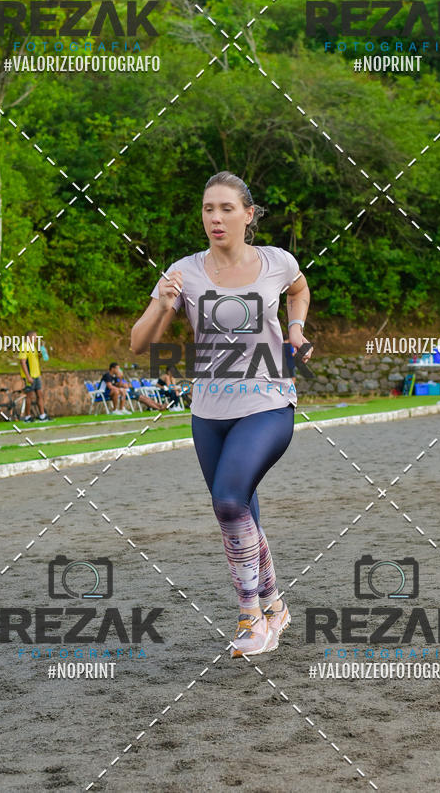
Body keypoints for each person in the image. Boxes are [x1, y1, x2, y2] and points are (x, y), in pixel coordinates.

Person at [130, 171, 313, 658]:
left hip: (269, 400)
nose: (215, 217)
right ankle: (275, 606)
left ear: (248, 215)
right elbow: (139, 343)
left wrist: (295, 328)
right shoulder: (182, 272)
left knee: (229, 502)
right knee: (242, 509)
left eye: (226, 208)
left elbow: (299, 290)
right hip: (209, 410)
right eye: (208, 209)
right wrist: (164, 305)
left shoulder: (277, 261)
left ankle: (251, 619)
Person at [19, 330, 49, 421]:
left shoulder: (32, 347)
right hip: (30, 376)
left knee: (40, 395)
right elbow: (23, 362)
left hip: (36, 375)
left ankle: (42, 415)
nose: (36, 339)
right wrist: (28, 376)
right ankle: (27, 416)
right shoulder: (24, 346)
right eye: (35, 337)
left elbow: (37, 357)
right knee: (29, 396)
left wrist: (42, 351)